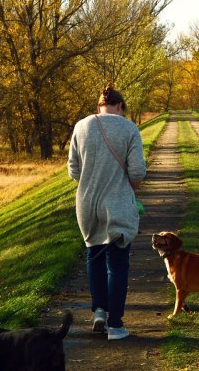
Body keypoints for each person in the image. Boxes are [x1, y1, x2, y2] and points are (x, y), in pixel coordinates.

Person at [67, 84, 146, 340]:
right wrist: (129, 183)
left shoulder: (81, 126)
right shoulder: (129, 128)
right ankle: (115, 325)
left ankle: (99, 311)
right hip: (117, 204)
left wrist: (92, 180)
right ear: (120, 106)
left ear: (98, 106)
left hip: (87, 204)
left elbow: (73, 171)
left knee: (94, 256)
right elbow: (136, 172)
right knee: (118, 264)